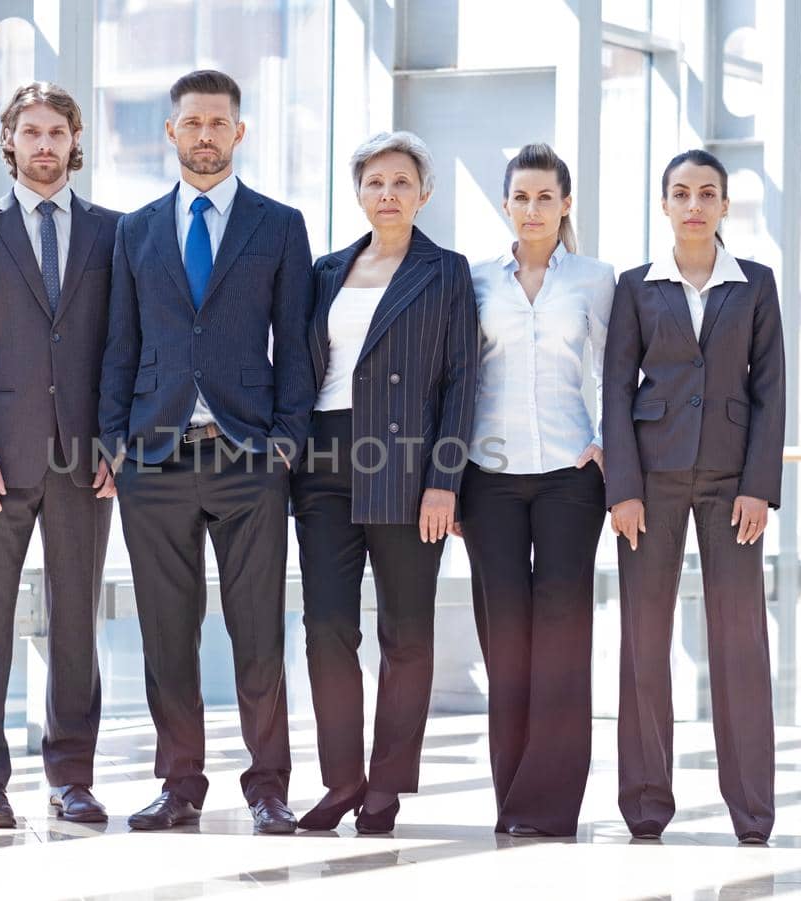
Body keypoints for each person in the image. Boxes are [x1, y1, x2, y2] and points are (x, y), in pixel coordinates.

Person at [98, 69, 315, 835]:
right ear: (171, 132)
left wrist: (288, 438)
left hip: (248, 453)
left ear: (239, 132)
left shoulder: (279, 225)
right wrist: (114, 443)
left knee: (256, 627)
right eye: (191, 123)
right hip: (153, 459)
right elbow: (118, 347)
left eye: (218, 123)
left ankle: (268, 787)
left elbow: (295, 344)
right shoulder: (136, 230)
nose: (204, 135)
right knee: (167, 631)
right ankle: (180, 783)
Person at [0, 82, 122, 829]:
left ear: (75, 141)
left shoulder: (114, 233)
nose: (44, 145)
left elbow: (123, 347)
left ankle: (71, 774)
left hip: (85, 458)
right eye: (31, 131)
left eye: (57, 132)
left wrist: (116, 438)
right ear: (8, 140)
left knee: (76, 618)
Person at [293, 131, 476, 835]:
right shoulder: (325, 270)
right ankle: (342, 780)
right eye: (375, 182)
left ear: (424, 193)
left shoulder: (446, 271)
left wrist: (445, 480)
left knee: (405, 632)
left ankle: (385, 788)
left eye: (402, 182)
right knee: (327, 627)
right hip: (325, 462)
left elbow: (462, 381)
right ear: (359, 192)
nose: (388, 194)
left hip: (407, 463)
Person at [603, 149, 786, 845]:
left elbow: (771, 390)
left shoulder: (756, 284)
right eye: (680, 193)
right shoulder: (635, 288)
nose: (693, 205)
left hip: (730, 485)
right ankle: (646, 807)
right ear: (664, 204)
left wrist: (759, 488)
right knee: (644, 643)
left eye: (707, 193)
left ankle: (751, 811)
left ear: (725, 204)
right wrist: (622, 488)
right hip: (648, 485)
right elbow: (616, 391)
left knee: (740, 644)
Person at [458, 143, 615, 838]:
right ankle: (510, 797)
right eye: (520, 198)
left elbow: (618, 366)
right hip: (488, 480)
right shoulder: (475, 280)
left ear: (566, 203)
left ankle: (548, 806)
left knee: (560, 641)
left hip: (568, 479)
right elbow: (457, 375)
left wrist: (607, 443)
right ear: (505, 204)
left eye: (544, 197)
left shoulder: (595, 279)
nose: (532, 209)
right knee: (506, 644)